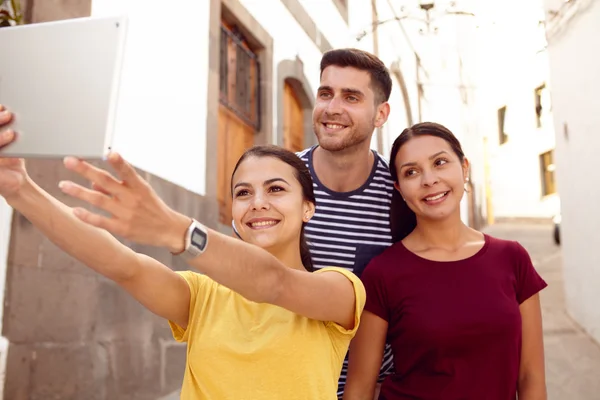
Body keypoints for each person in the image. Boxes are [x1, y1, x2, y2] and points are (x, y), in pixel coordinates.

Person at [0, 105, 366, 400]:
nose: (257, 203)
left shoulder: (339, 290)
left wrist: (177, 229)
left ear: (308, 208)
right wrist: (20, 191)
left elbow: (273, 282)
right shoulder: (203, 294)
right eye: (242, 193)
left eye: (275, 189)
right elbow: (122, 265)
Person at [343, 122, 548, 400]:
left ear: (464, 168)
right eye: (411, 172)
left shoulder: (512, 258)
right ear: (399, 188)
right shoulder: (383, 273)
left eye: (440, 162)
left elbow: (531, 378)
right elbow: (360, 389)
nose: (429, 179)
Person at [296, 48, 397, 398]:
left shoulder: (402, 200)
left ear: (380, 114)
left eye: (351, 97)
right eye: (326, 93)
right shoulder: (276, 183)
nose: (332, 107)